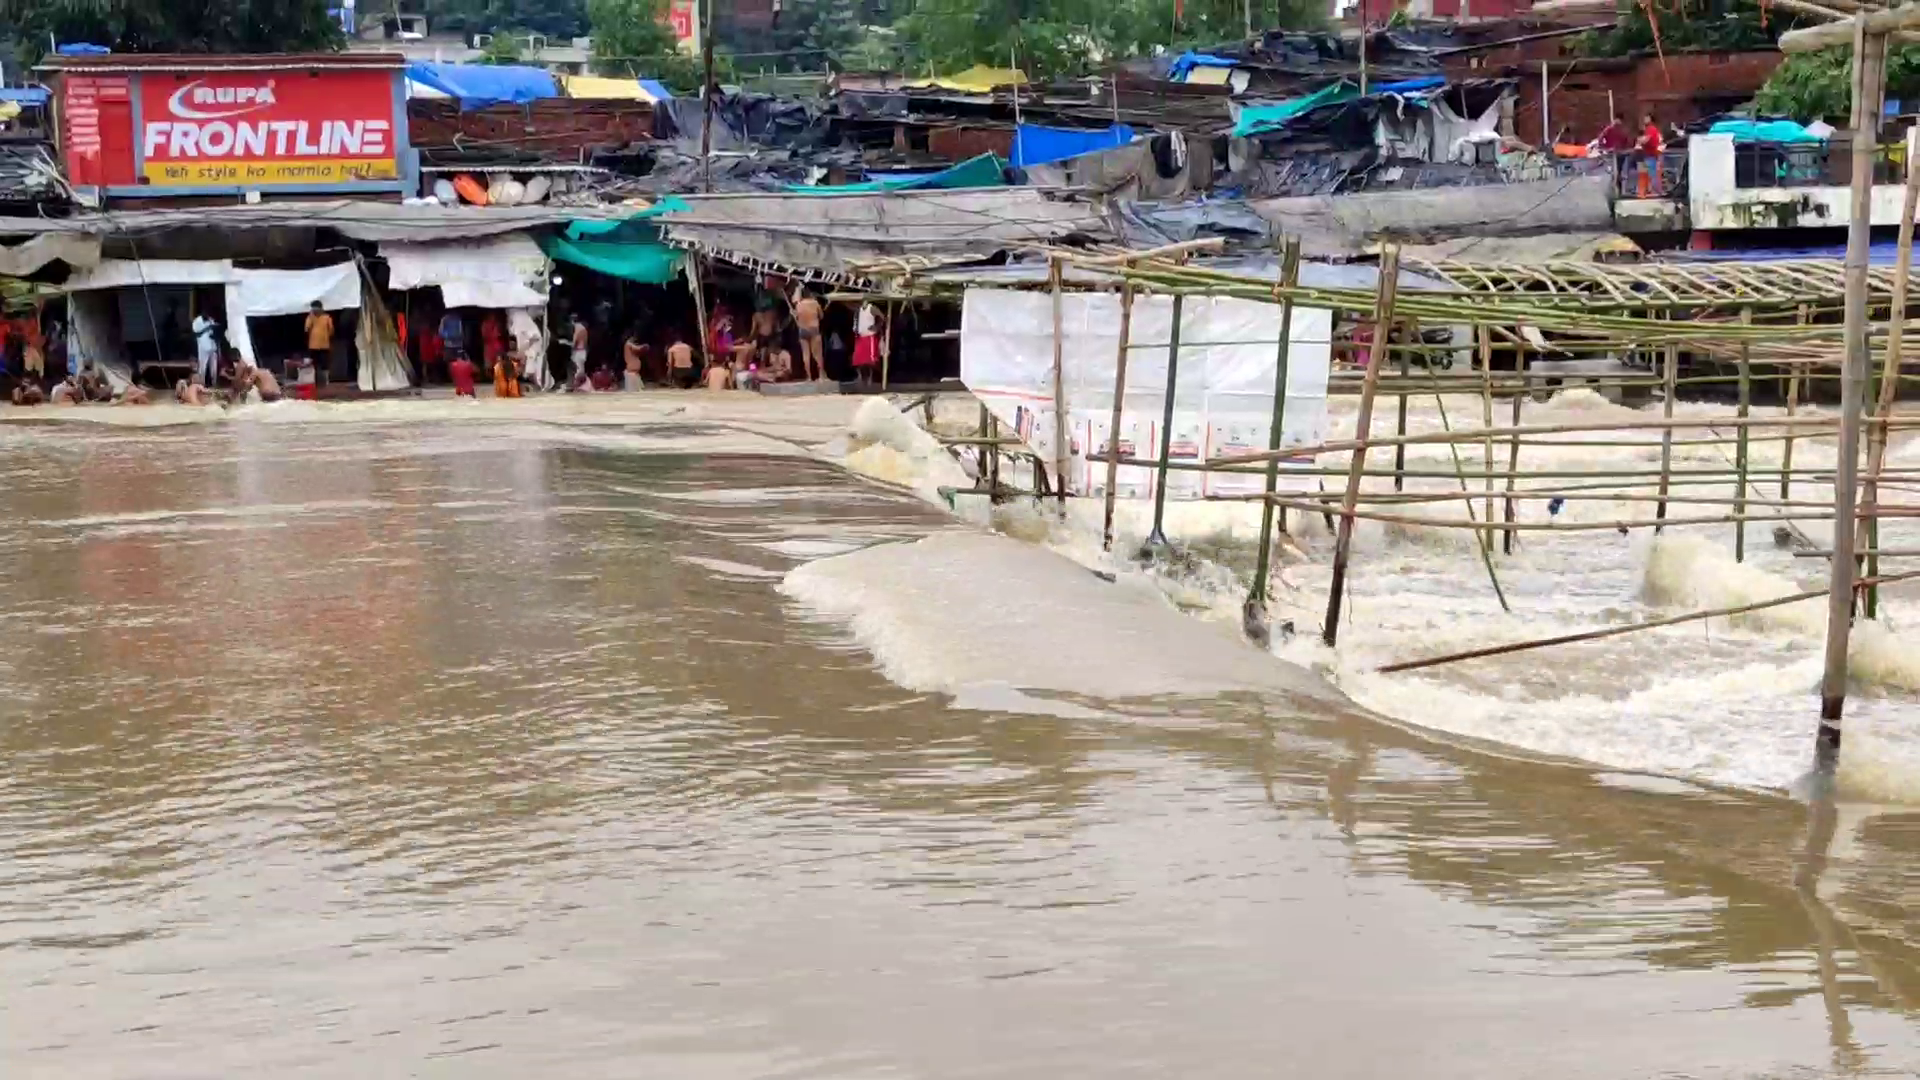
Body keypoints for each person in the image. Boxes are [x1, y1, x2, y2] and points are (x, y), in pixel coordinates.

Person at [794, 290, 824, 381]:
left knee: (805, 355)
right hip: (813, 328)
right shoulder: (815, 303)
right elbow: (821, 316)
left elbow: (797, 318)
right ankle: (821, 376)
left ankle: (809, 377)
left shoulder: (798, 305)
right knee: (817, 354)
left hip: (802, 330)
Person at [1634, 112, 1664, 198]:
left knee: (1650, 174)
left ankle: (1653, 192)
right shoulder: (1650, 129)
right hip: (1647, 155)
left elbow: (1645, 140)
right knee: (1646, 174)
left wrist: (1640, 140)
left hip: (1649, 155)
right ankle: (1646, 192)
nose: (1644, 120)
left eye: (1646, 118)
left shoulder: (1651, 129)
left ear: (1650, 119)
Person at [852, 300, 881, 385]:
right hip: (860, 336)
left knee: (871, 360)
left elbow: (883, 317)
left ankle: (871, 378)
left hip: (870, 336)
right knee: (857, 359)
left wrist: (876, 327)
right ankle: (861, 377)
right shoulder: (858, 310)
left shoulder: (872, 308)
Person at [304, 301, 334, 379]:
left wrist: (326, 336)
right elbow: (306, 329)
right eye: (313, 308)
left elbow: (331, 330)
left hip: (324, 345)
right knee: (314, 364)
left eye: (316, 308)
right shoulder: (310, 318)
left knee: (325, 364)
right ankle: (314, 380)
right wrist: (311, 319)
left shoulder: (327, 317)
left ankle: (326, 381)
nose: (315, 310)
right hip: (313, 346)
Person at [193, 310, 223, 386]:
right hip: (203, 348)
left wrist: (215, 329)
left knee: (214, 368)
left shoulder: (210, 320)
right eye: (207, 315)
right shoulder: (197, 321)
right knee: (202, 367)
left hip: (212, 347)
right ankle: (200, 385)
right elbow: (197, 334)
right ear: (203, 314)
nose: (209, 317)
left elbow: (214, 332)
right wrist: (207, 328)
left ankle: (214, 385)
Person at [622, 327, 647, 391]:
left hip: (635, 374)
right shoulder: (628, 344)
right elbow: (638, 348)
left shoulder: (631, 345)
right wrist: (645, 346)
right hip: (631, 373)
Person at [569, 314, 589, 384]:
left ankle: (577, 386)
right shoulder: (584, 328)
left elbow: (574, 342)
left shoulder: (577, 328)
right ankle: (582, 386)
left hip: (578, 351)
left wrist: (565, 343)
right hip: (583, 351)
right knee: (581, 370)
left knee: (576, 370)